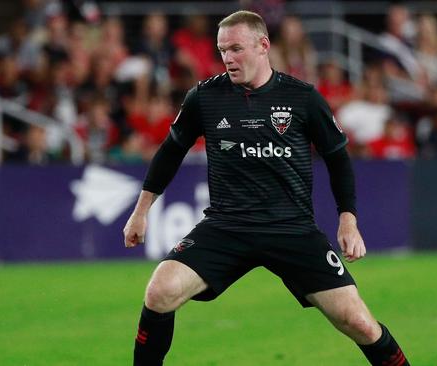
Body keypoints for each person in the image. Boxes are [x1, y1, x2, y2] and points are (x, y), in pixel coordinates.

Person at [122, 11, 409, 366]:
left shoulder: (302, 98)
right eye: (222, 49)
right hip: (227, 226)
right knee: (159, 291)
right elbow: (170, 152)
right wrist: (141, 211)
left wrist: (347, 220)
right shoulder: (206, 97)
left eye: (236, 49)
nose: (227, 57)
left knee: (359, 323)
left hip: (293, 230)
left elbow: (338, 159)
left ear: (263, 46)